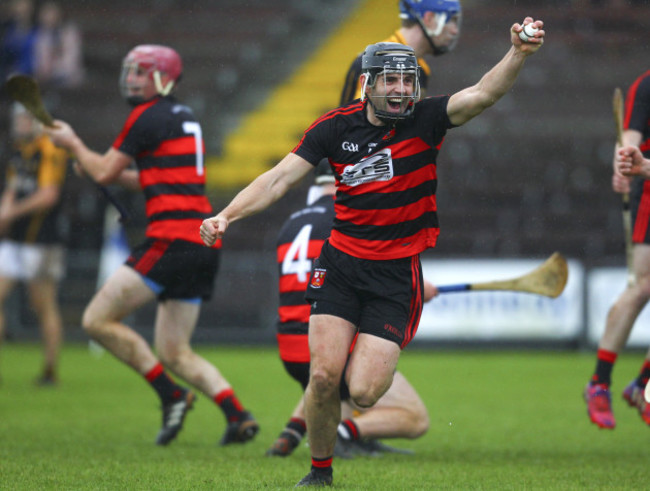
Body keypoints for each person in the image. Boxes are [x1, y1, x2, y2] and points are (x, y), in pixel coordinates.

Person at [201, 18, 545, 487]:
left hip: (394, 277)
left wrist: (518, 54)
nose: (402, 89)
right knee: (322, 377)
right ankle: (320, 472)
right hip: (339, 265)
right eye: (392, 80)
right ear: (368, 84)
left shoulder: (427, 120)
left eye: (408, 80)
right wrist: (226, 216)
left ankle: (341, 427)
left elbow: (484, 93)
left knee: (362, 391)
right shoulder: (332, 128)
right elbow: (278, 179)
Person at [44, 44, 258, 446]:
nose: (131, 79)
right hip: (201, 242)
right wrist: (94, 164)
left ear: (162, 77)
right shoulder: (182, 115)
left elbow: (106, 171)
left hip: (172, 239)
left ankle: (171, 394)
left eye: (140, 72)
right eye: (130, 71)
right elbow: (151, 178)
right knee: (175, 351)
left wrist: (74, 144)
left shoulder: (146, 115)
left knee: (95, 320)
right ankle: (237, 415)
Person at [266, 160, 437, 458]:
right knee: (415, 417)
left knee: (326, 378)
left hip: (291, 349)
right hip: (331, 343)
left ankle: (292, 433)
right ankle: (347, 435)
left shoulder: (291, 223)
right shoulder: (349, 218)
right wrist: (419, 286)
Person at [586, 116, 650, 428]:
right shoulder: (647, 86)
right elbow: (628, 140)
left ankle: (643, 386)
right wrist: (625, 164)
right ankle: (600, 382)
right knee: (643, 287)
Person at [0, 103, 68, 386]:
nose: (20, 124)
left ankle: (50, 370)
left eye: (25, 119)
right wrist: (4, 216)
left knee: (42, 305)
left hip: (42, 242)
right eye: (18, 119)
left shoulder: (49, 149)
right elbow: (11, 192)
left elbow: (48, 195)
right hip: (14, 241)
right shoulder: (18, 152)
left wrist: (11, 213)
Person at [339, 0, 462, 104]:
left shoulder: (422, 69)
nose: (454, 31)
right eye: (451, 20)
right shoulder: (375, 60)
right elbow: (358, 125)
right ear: (429, 19)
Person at [34, 1, 84, 90]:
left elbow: (71, 61)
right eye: (45, 13)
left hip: (68, 76)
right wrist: (44, 72)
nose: (47, 17)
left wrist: (55, 72)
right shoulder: (42, 34)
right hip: (48, 77)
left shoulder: (69, 32)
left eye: (51, 12)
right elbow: (40, 58)